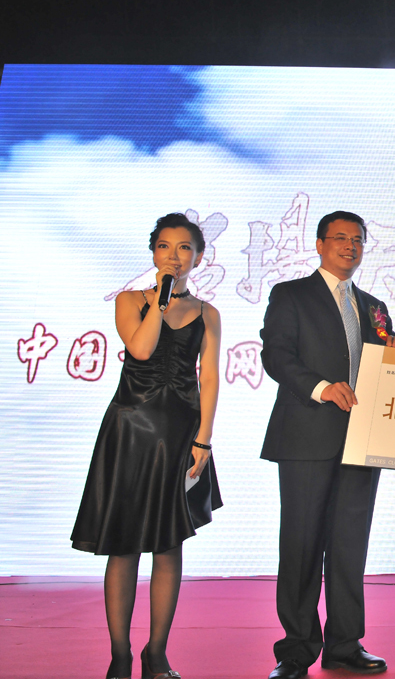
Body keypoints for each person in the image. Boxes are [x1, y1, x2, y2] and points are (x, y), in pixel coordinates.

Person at [71, 213, 223, 679]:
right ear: (153, 252)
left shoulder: (208, 313)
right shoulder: (130, 300)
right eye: (164, 247)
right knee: (123, 546)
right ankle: (119, 656)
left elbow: (209, 377)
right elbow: (139, 349)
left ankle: (156, 655)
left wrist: (204, 438)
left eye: (184, 248)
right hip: (131, 431)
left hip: (179, 436)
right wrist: (160, 300)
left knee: (168, 544)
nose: (174, 256)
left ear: (199, 257)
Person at [260, 211, 395, 679]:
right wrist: (322, 387)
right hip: (306, 436)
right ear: (320, 244)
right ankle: (295, 651)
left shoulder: (374, 306)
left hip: (362, 440)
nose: (350, 246)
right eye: (340, 238)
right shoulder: (290, 295)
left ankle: (344, 644)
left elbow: (380, 369)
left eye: (358, 239)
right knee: (301, 545)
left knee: (349, 547)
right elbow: (276, 355)